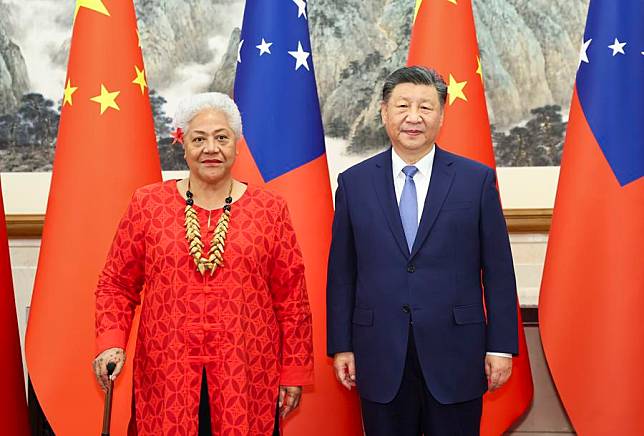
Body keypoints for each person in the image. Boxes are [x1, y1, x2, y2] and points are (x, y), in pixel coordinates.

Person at [92, 92, 313, 435]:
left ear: (237, 145)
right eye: (199, 138)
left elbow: (292, 300)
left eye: (221, 137)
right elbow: (116, 284)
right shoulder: (149, 204)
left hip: (247, 376)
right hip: (167, 377)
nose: (211, 148)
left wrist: (293, 371)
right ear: (183, 144)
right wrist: (111, 341)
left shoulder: (270, 209)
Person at [326, 66, 519, 436]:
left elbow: (497, 270)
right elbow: (342, 274)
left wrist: (501, 346)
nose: (413, 117)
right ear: (384, 112)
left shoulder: (474, 180)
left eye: (426, 107)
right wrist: (342, 346)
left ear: (442, 115)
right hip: (379, 351)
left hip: (457, 353)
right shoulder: (354, 183)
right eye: (402, 106)